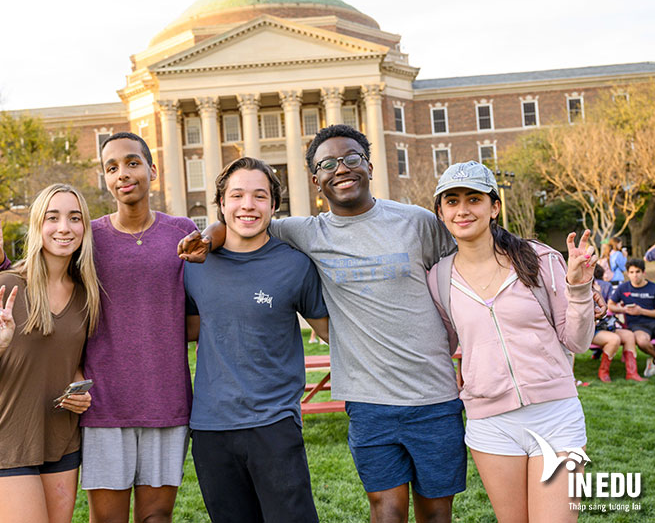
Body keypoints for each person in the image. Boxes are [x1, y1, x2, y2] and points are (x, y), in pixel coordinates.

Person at [181, 125, 466, 523]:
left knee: (437, 511)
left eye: (351, 158)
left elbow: (471, 264)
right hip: (368, 400)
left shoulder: (416, 222)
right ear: (315, 180)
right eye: (327, 164)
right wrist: (210, 234)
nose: (341, 169)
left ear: (368, 164)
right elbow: (242, 224)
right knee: (387, 510)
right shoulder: (306, 233)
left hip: (434, 394)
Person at [0, 132, 198, 523]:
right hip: (104, 407)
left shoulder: (181, 232)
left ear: (153, 169)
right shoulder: (90, 238)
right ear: (104, 179)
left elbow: (200, 303)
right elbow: (45, 273)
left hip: (168, 401)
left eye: (132, 163)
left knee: (157, 518)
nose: (123, 174)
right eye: (111, 167)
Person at [428, 161, 595, 523]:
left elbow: (578, 342)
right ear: (440, 212)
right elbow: (441, 346)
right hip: (491, 425)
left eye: (474, 199)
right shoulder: (438, 279)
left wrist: (579, 289)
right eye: (452, 202)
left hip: (555, 416)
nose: (463, 210)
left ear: (494, 207)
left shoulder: (538, 259)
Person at [184, 157, 329, 523]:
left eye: (259, 196)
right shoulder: (193, 264)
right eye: (237, 195)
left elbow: (330, 331)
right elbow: (185, 328)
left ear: (273, 206)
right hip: (210, 428)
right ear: (221, 203)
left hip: (274, 425)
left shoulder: (296, 265)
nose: (247, 205)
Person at [0, 183, 101, 523]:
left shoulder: (87, 295)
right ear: (38, 225)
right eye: (52, 217)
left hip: (61, 438)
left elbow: (70, 361)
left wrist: (80, 389)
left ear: (85, 227)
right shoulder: (3, 286)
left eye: (74, 218)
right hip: (9, 437)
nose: (64, 228)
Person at [608, 258, 655, 378]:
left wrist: (641, 311)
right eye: (631, 272)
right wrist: (623, 310)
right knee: (642, 341)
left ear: (643, 273)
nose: (635, 275)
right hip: (637, 326)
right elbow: (610, 305)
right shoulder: (623, 288)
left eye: (637, 272)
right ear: (627, 273)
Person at [592, 264, 643, 382]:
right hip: (590, 329)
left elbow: (610, 306)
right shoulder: (581, 288)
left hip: (605, 325)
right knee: (614, 339)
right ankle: (603, 372)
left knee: (629, 335)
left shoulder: (601, 286)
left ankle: (632, 373)